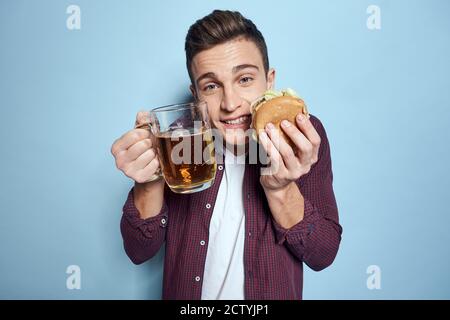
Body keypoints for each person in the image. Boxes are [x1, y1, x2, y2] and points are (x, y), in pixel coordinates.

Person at [111, 10, 342, 300]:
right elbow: (138, 251)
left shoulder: (301, 134)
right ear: (195, 94)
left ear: (269, 81)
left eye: (244, 79)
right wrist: (148, 181)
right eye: (211, 86)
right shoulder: (176, 140)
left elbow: (323, 254)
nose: (230, 104)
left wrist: (281, 190)